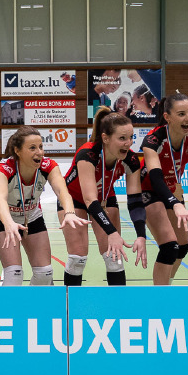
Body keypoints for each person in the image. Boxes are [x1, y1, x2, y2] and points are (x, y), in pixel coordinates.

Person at [0, 126, 86, 286]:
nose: (39, 152)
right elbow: (0, 200)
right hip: (3, 220)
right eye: (32, 148)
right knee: (14, 274)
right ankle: (9, 302)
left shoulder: (48, 166)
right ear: (18, 151)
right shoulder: (3, 170)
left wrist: (69, 212)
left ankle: (32, 301)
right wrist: (9, 224)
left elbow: (62, 191)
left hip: (31, 217)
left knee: (45, 273)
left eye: (41, 147)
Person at [60, 107, 148, 285]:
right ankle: (69, 300)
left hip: (105, 198)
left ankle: (117, 302)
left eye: (131, 137)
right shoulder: (88, 154)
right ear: (106, 138)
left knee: (114, 257)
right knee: (77, 258)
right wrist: (112, 232)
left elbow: (135, 201)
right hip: (74, 199)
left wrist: (141, 235)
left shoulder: (131, 160)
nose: (128, 143)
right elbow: (89, 200)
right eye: (122, 138)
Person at [139, 91, 188, 285]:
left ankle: (166, 285)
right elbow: (155, 178)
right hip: (148, 190)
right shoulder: (153, 140)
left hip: (172, 188)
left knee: (182, 246)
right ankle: (160, 294)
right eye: (181, 114)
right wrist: (175, 203)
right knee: (169, 247)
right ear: (168, 117)